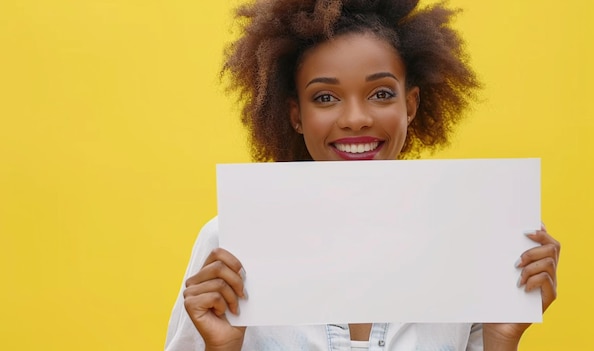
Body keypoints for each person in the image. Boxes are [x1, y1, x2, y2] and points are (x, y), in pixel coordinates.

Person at [165, 0, 560, 350]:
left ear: (411, 105)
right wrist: (221, 348)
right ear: (296, 115)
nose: (356, 119)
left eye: (381, 94)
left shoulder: (473, 240)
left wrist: (503, 337)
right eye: (325, 98)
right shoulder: (229, 242)